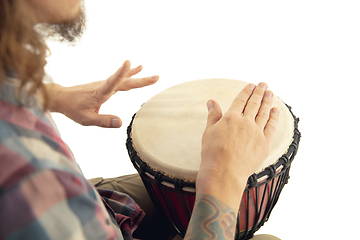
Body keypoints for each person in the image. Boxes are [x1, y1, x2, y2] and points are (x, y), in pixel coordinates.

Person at [0, 0, 279, 239]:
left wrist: (51, 95)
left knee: (184, 188)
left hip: (96, 204)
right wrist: (224, 174)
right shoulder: (29, 176)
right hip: (67, 215)